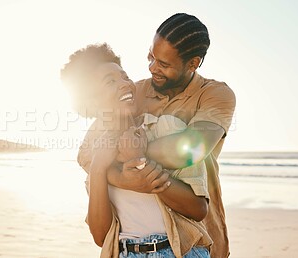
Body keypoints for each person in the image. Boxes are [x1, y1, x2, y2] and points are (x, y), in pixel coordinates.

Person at [61, 43, 212, 257]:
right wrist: (98, 169)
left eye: (124, 77)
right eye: (110, 82)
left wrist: (141, 161)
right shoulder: (95, 154)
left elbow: (198, 209)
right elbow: (100, 236)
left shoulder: (168, 128)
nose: (125, 85)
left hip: (179, 252)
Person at [106, 13, 236, 258]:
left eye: (164, 64)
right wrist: (124, 178)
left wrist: (129, 153)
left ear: (193, 63)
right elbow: (89, 152)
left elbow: (189, 149)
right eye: (151, 57)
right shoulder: (136, 92)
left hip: (196, 240)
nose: (153, 67)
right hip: (133, 244)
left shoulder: (216, 94)